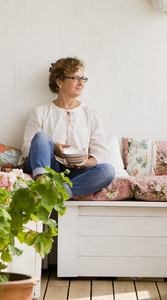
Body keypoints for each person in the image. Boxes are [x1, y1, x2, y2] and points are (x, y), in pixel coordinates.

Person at [21, 57, 115, 198]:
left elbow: (100, 152)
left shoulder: (91, 114)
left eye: (83, 79)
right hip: (48, 167)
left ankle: (59, 192)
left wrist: (86, 162)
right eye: (76, 78)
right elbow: (26, 149)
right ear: (59, 81)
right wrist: (53, 148)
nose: (81, 83)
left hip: (75, 172)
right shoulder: (40, 112)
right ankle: (42, 184)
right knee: (41, 137)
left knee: (108, 170)